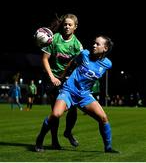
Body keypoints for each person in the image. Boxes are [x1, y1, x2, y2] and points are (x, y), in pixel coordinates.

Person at [35, 35, 119, 153]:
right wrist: (62, 77)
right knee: (55, 114)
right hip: (69, 91)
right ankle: (40, 139)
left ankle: (108, 148)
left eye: (97, 44)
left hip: (84, 95)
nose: (94, 45)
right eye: (94, 43)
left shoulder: (107, 64)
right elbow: (71, 63)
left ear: (105, 48)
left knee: (103, 118)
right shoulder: (84, 54)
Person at [40, 13, 83, 149]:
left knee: (73, 110)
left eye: (70, 24)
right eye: (65, 24)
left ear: (75, 27)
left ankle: (68, 132)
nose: (66, 26)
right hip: (52, 79)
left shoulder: (77, 45)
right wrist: (52, 77)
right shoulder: (54, 39)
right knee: (55, 112)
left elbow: (80, 65)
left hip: (68, 80)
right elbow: (44, 59)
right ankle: (54, 141)